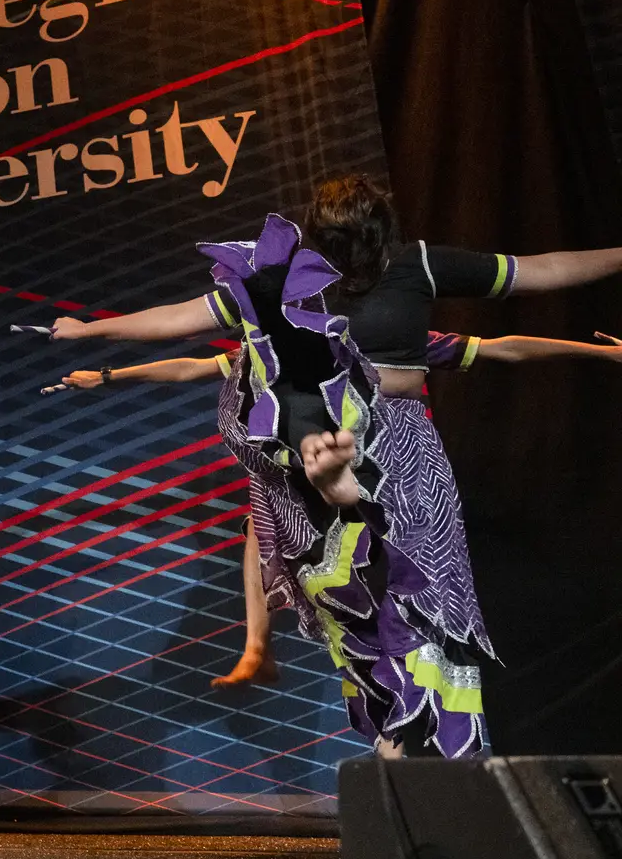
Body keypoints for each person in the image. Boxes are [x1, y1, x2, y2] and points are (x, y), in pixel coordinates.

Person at [42, 174, 622, 757]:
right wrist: (92, 336)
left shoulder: (414, 267)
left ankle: (412, 747)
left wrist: (604, 337)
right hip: (311, 448)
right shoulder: (285, 282)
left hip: (399, 455)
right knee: (330, 575)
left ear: (382, 233)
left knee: (420, 604)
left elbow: (533, 283)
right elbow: (183, 327)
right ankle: (299, 657)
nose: (351, 260)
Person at [50, 331, 622, 690]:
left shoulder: (376, 344)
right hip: (299, 486)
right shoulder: (266, 350)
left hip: (367, 486)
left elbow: (502, 348)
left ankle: (416, 670)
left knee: (387, 594)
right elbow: (189, 367)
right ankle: (258, 649)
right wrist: (106, 375)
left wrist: (599, 352)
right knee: (260, 515)